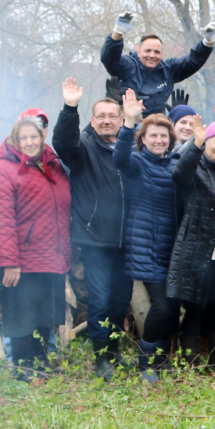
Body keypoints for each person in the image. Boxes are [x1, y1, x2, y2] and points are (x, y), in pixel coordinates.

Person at [54, 79, 129, 380]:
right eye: (101, 116)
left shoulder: (128, 147)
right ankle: (101, 358)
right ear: (93, 121)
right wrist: (70, 107)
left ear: (122, 120)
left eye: (113, 116)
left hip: (127, 240)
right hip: (97, 240)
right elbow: (63, 143)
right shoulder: (83, 148)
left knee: (120, 301)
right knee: (100, 299)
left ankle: (114, 349)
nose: (108, 121)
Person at [0, 115, 72, 381]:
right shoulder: (2, 170)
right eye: (23, 138)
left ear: (42, 137)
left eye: (33, 136)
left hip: (53, 254)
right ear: (14, 140)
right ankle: (23, 366)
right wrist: (9, 261)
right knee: (23, 314)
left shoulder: (52, 165)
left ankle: (41, 362)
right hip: (24, 258)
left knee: (46, 313)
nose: (29, 142)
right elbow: (1, 220)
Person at [113, 90, 181, 380]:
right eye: (153, 135)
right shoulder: (137, 164)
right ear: (143, 139)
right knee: (163, 306)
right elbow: (119, 158)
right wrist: (128, 124)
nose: (159, 140)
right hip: (146, 246)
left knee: (172, 306)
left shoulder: (173, 165)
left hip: (171, 248)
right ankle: (145, 357)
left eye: (164, 136)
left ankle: (161, 358)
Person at [167, 120, 215, 371]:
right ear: (206, 141)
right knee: (196, 308)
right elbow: (180, 174)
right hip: (202, 252)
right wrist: (196, 143)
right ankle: (189, 362)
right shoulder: (197, 166)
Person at [101, 11, 215, 116]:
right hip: (129, 126)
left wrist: (207, 43)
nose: (152, 55)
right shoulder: (128, 66)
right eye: (148, 51)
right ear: (139, 52)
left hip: (156, 128)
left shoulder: (168, 70)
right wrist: (118, 32)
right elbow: (110, 58)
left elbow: (191, 61)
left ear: (161, 55)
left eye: (156, 52)